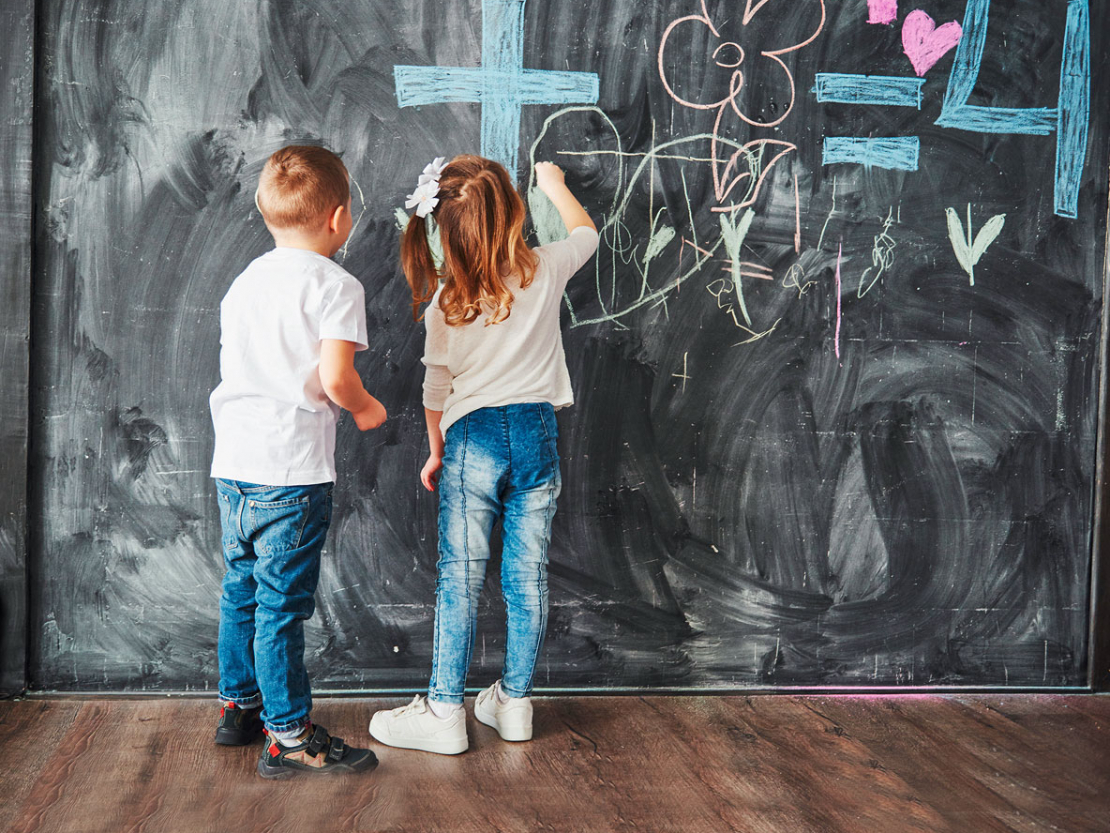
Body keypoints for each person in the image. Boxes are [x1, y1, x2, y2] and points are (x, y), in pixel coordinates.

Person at [368, 155, 598, 754]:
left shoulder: (450, 297)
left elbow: (434, 390)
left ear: (446, 230)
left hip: (471, 438)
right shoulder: (545, 269)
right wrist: (556, 186)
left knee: (461, 575)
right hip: (537, 432)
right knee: (528, 574)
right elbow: (586, 235)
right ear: (515, 213)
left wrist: (436, 451)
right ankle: (514, 702)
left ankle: (445, 709)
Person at [210, 145, 386, 778]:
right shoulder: (336, 285)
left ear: (264, 209)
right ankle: (287, 736)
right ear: (339, 218)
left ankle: (239, 706)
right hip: (290, 471)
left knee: (242, 591)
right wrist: (366, 409)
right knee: (283, 605)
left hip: (233, 462)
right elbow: (337, 377)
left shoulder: (245, 281)